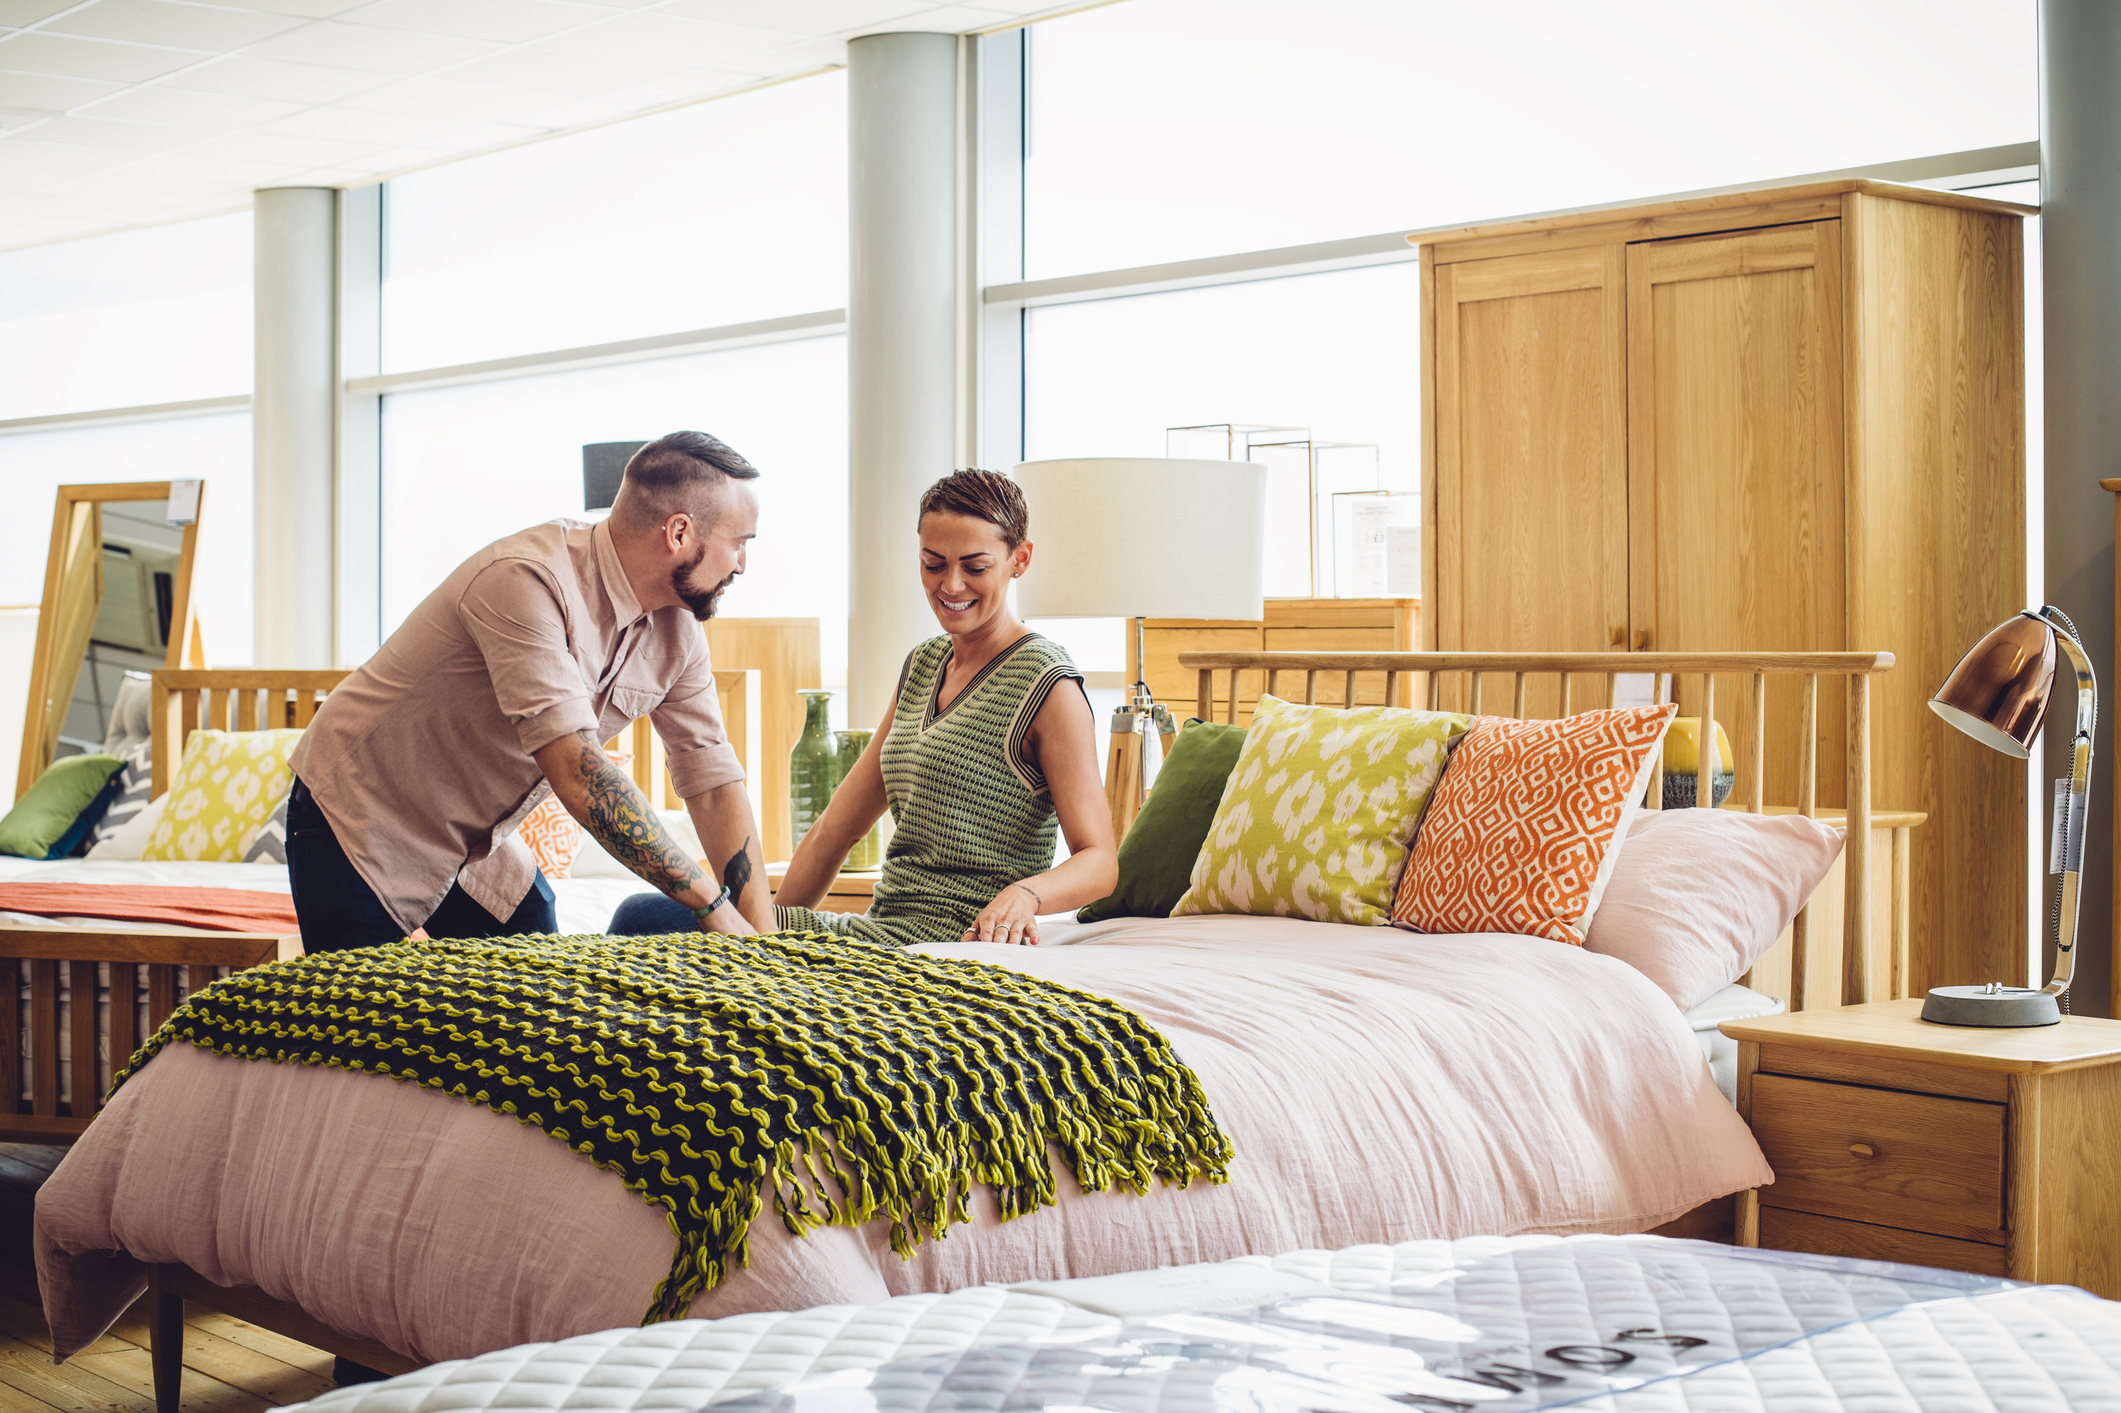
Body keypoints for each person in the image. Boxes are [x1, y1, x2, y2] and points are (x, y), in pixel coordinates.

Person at [286, 430, 774, 954]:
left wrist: (766, 949)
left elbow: (714, 784)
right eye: (739, 543)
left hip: (475, 840)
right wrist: (710, 905)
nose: (742, 564)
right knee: (361, 1024)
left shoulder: (679, 633)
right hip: (360, 815)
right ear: (678, 532)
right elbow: (581, 775)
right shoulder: (526, 580)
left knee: (536, 999)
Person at [608, 469, 1116, 947]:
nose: (951, 585)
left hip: (953, 946)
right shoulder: (925, 663)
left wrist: (1026, 895)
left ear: (1019, 559)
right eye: (933, 563)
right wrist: (761, 945)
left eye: (975, 567)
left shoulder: (1047, 684)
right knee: (647, 913)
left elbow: (1100, 861)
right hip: (880, 931)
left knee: (645, 920)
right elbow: (836, 829)